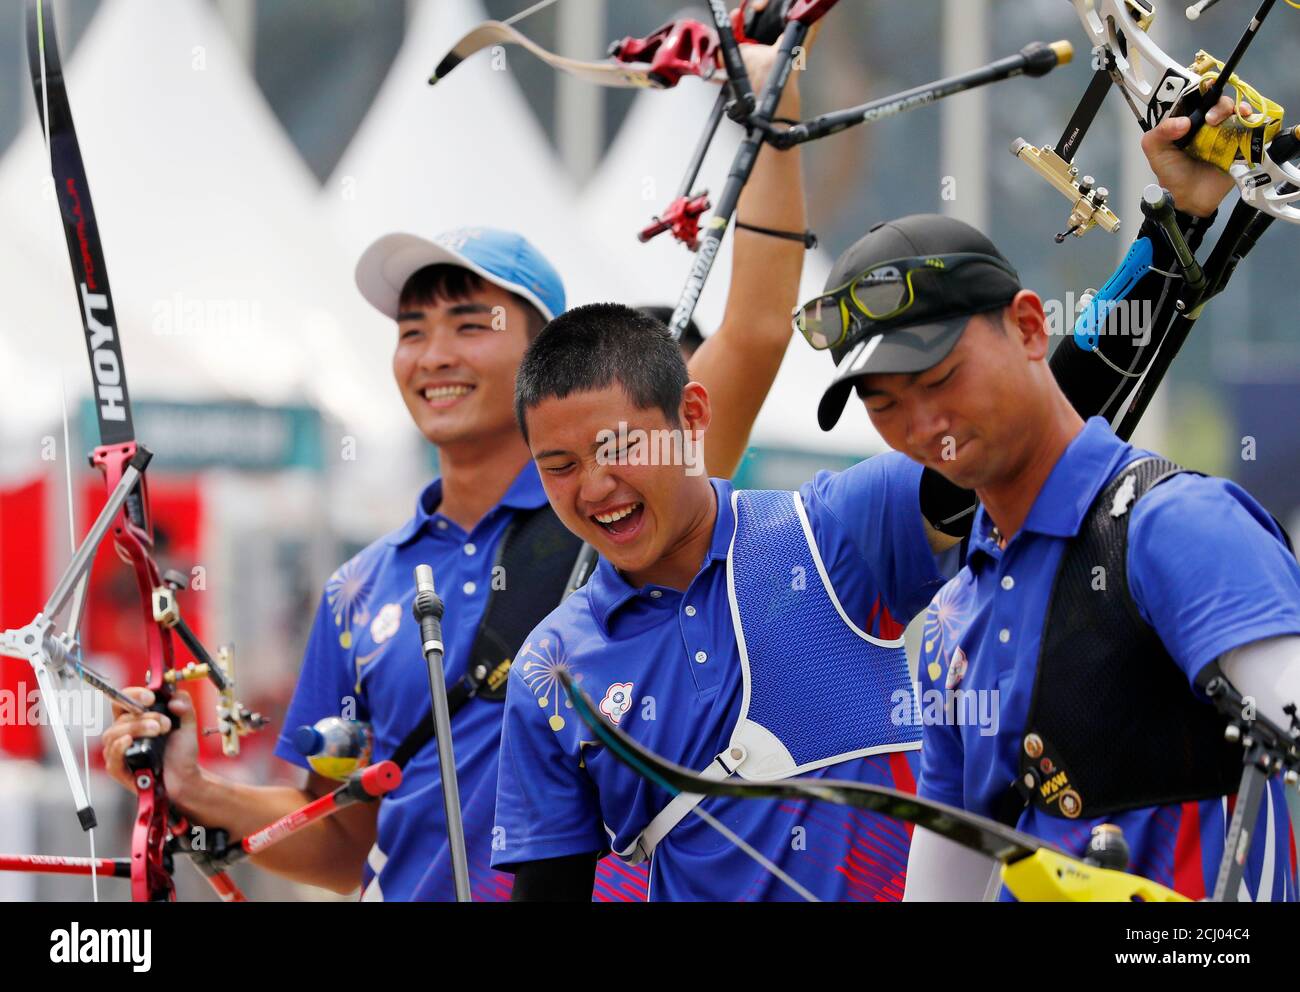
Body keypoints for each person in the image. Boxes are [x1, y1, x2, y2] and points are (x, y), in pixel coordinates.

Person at [98, 38, 812, 903]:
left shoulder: (621, 503)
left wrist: (776, 110)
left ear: (544, 354)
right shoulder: (359, 590)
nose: (434, 355)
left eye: (471, 324)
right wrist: (196, 789)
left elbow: (757, 328)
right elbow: (341, 848)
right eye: (411, 330)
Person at [803, 103, 1300, 901]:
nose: (925, 424)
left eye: (938, 378)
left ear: (1031, 327)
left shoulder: (1175, 525)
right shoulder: (956, 616)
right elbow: (951, 877)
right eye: (883, 403)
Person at [495, 299, 966, 901]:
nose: (594, 487)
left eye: (617, 449)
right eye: (558, 465)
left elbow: (1006, 450)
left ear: (691, 415)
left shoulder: (827, 534)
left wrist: (1127, 291)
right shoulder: (550, 666)